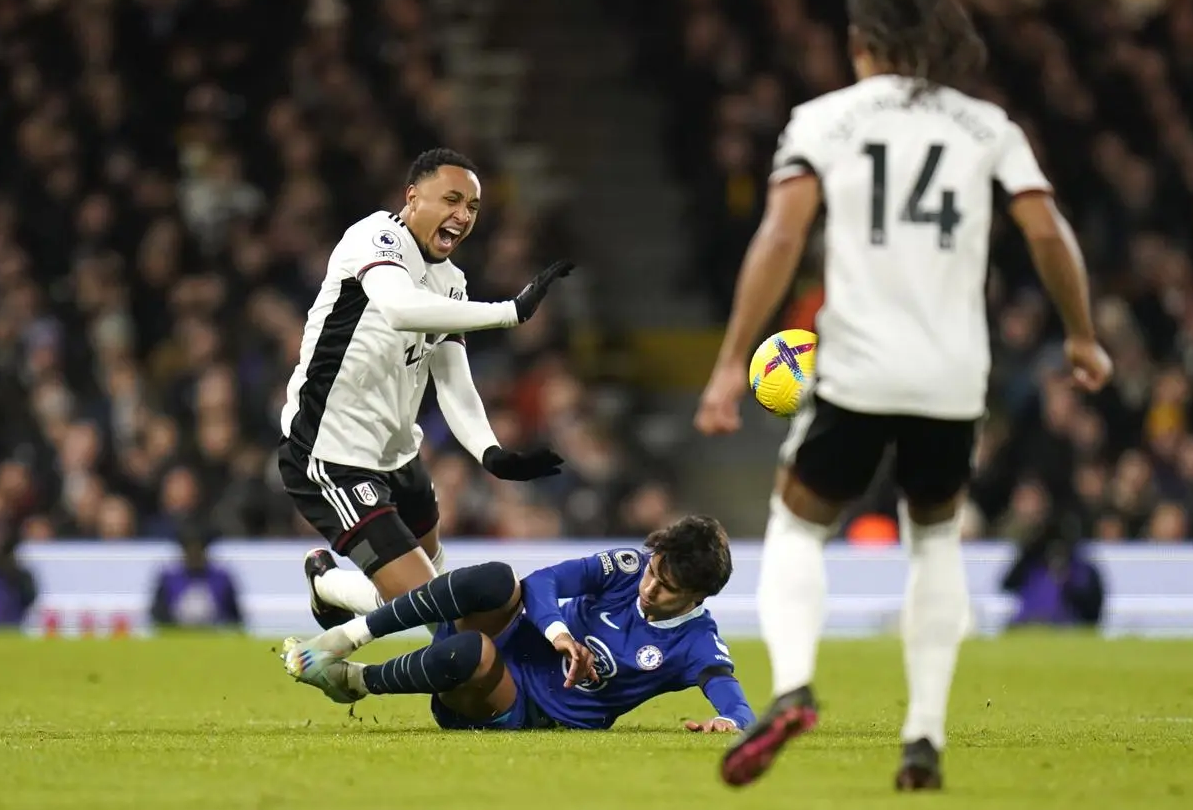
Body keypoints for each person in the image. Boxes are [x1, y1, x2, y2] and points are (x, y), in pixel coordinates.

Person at [693, 0, 1114, 792]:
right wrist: (1082, 337)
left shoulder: (823, 120)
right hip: (955, 376)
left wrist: (724, 367)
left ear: (859, 45)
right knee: (934, 540)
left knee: (798, 524)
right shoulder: (989, 125)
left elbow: (780, 237)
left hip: (856, 368)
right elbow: (1047, 230)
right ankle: (922, 736)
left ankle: (793, 686)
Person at [278, 148, 574, 663]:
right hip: (333, 455)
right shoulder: (375, 238)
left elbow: (453, 378)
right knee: (424, 602)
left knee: (434, 593)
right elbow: (397, 308)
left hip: (401, 458)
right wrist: (510, 311)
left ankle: (335, 593)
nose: (463, 215)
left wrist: (491, 453)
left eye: (474, 208)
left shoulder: (452, 282)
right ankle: (326, 587)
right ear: (412, 198)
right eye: (453, 199)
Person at [281, 515, 754, 734]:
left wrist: (731, 721)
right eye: (654, 571)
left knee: (470, 652)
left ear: (698, 596)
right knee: (497, 580)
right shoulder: (631, 567)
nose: (649, 588)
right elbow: (544, 581)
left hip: (523, 707)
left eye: (668, 587)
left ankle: (353, 681)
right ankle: (344, 637)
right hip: (520, 636)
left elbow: (729, 692)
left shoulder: (696, 642)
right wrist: (559, 634)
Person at [148, 530, 243, 629]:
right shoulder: (168, 579)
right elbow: (158, 615)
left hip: (214, 634)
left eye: (197, 551)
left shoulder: (222, 579)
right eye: (190, 551)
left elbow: (234, 617)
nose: (194, 555)